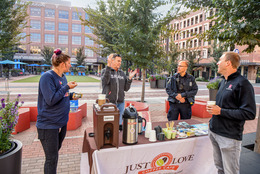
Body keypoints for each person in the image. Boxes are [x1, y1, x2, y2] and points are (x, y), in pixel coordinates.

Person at [207, 52, 256, 174]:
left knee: (230, 172)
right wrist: (212, 120)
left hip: (229, 137)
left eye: (220, 60)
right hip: (215, 132)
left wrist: (221, 111)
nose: (217, 63)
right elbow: (221, 107)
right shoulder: (222, 81)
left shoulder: (243, 84)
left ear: (228, 63)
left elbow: (249, 113)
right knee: (219, 169)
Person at [37, 49, 78, 174]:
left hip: (61, 123)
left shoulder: (63, 77)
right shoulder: (47, 77)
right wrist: (66, 87)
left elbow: (61, 94)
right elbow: (50, 100)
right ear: (62, 64)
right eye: (69, 63)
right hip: (48, 125)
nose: (70, 65)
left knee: (54, 156)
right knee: (51, 159)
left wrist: (70, 95)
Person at [101, 53, 137, 129]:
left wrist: (130, 79)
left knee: (119, 125)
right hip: (109, 103)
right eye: (118, 61)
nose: (120, 63)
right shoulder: (105, 71)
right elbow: (105, 82)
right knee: (109, 125)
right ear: (112, 61)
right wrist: (108, 66)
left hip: (121, 103)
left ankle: (118, 139)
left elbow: (126, 88)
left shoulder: (122, 73)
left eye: (120, 61)